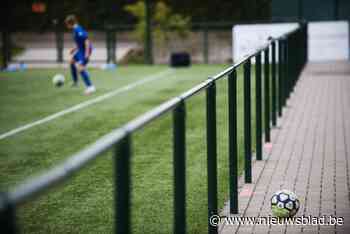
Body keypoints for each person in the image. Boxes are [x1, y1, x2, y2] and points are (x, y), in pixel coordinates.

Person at [64, 14, 96, 95]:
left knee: (80, 68)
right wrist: (74, 49)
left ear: (69, 24)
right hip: (80, 50)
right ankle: (75, 82)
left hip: (85, 50)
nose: (66, 26)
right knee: (72, 62)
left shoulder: (78, 29)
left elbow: (86, 41)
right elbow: (79, 42)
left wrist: (87, 54)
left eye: (66, 24)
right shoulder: (75, 29)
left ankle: (90, 87)